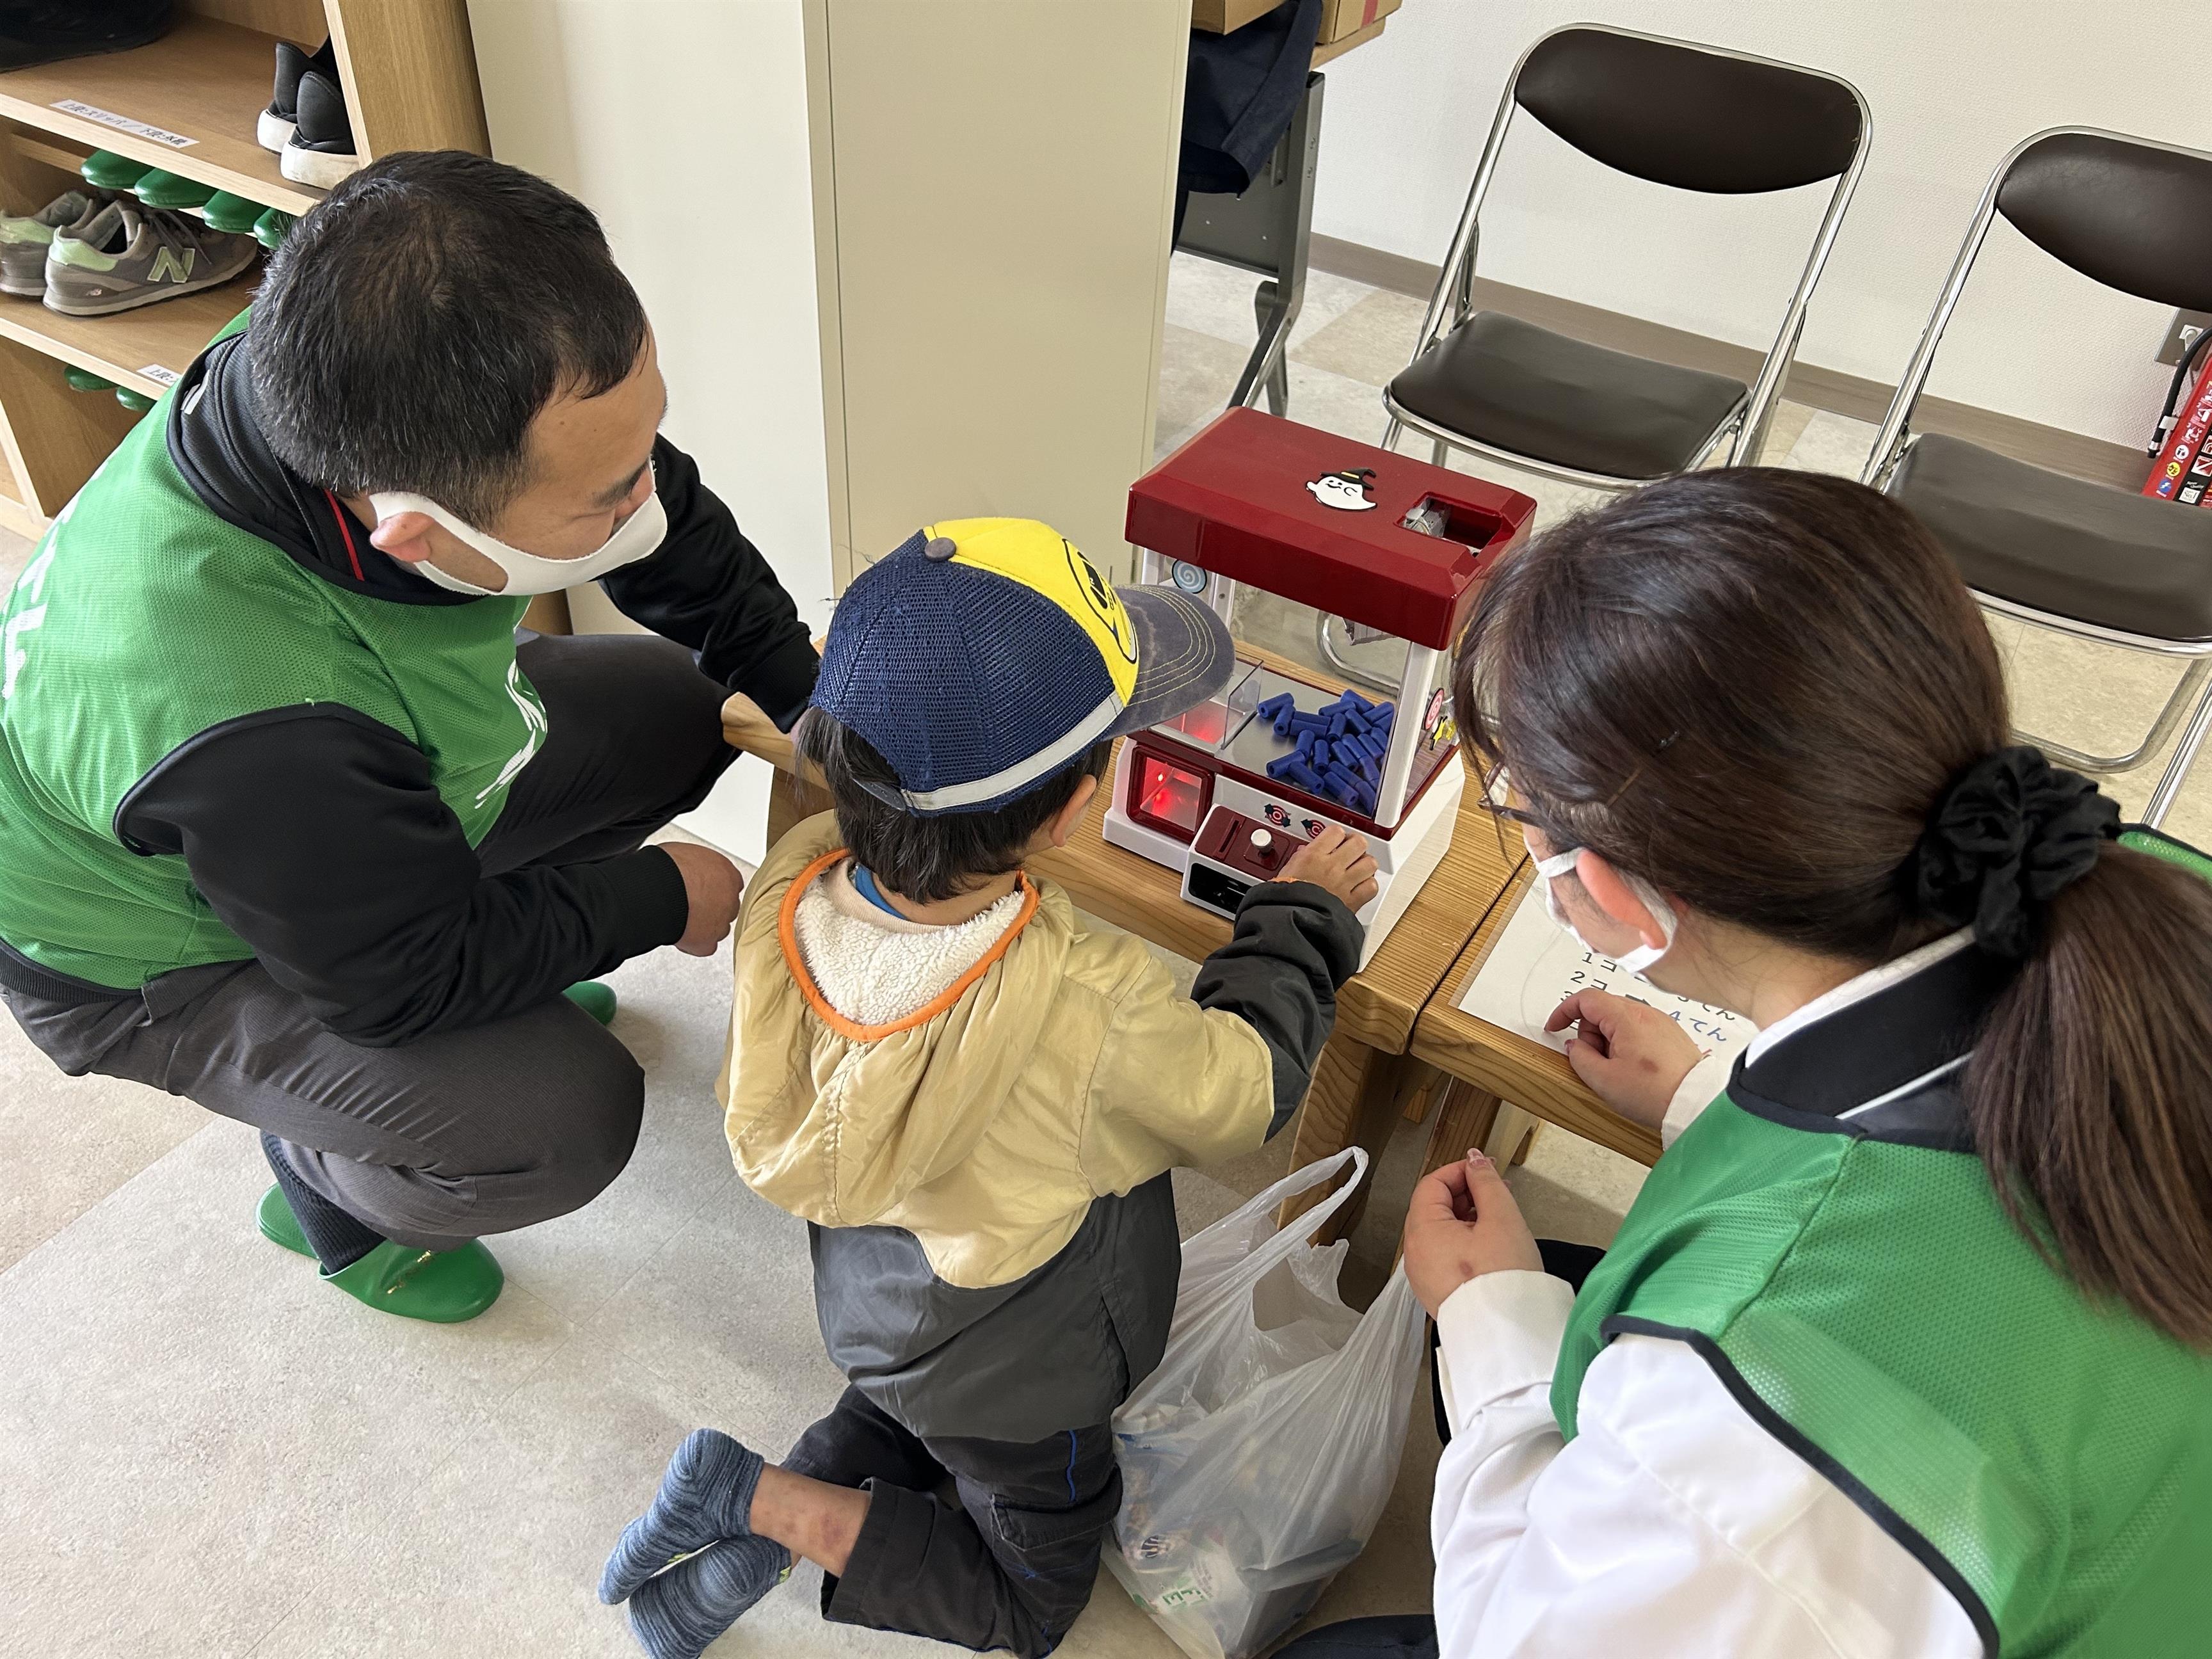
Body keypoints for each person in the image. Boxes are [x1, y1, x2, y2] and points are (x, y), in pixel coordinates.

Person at [1290, 468, 2212, 1658]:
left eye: (1518, 809)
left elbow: (1532, 1636)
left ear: (1604, 888)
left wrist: (1492, 1327)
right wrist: (1709, 1099)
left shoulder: (1755, 1412)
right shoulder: (2121, 885)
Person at [0, 152, 817, 1322]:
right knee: (559, 1120)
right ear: (417, 537)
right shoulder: (257, 717)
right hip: (149, 954)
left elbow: (655, 511)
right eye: (604, 500)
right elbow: (396, 980)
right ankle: (330, 1187)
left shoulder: (340, 372)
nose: (645, 499)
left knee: (677, 712)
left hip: (315, 832)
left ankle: (457, 976)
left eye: (642, 451)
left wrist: (803, 697)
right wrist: (654, 895)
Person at [595, 518, 1378, 1659]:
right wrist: (1300, 916)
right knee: (1032, 1597)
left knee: (899, 1420)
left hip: (879, 1314)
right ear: (1070, 815)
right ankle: (773, 1504)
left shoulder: (790, 880)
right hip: (1028, 1380)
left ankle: (752, 1517)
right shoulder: (1087, 1000)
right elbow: (1241, 1093)